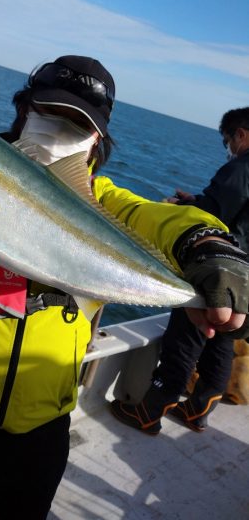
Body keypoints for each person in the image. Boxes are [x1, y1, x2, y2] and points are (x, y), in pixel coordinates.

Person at [0, 56, 249, 519]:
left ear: (96, 140)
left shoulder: (104, 204)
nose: (59, 129)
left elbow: (160, 219)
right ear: (24, 109)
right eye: (49, 112)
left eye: (76, 123)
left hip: (41, 430)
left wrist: (206, 242)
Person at [111, 107, 249, 435]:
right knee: (222, 335)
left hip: (216, 264)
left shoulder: (242, 167)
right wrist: (196, 200)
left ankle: (151, 409)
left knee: (185, 332)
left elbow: (213, 213)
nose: (228, 148)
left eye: (228, 141)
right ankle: (200, 407)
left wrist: (179, 207)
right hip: (243, 275)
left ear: (241, 135)